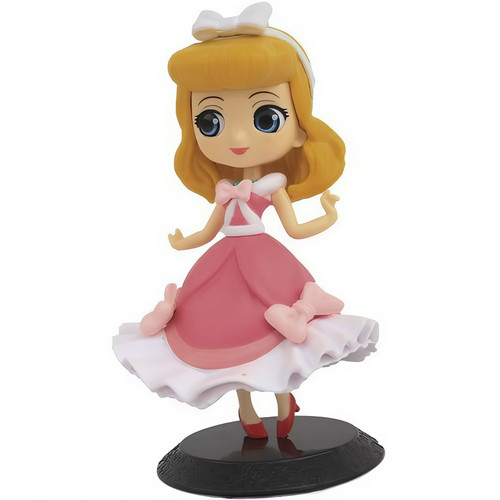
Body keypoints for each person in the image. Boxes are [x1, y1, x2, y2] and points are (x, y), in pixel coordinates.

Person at [113, 2, 378, 439]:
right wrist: (186, 240)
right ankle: (246, 409)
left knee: (272, 333)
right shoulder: (224, 187)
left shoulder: (272, 186)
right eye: (211, 121)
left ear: (299, 128)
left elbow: (294, 229)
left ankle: (283, 398)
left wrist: (327, 215)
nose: (237, 138)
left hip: (266, 263)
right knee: (222, 332)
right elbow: (210, 228)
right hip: (221, 262)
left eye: (265, 118)